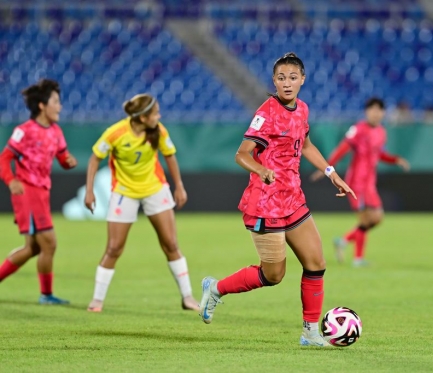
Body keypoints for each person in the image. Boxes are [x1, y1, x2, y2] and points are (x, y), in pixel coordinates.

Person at [198, 52, 356, 347]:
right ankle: (216, 288)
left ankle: (310, 332)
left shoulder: (303, 109)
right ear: (274, 80)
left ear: (302, 80)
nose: (287, 83)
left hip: (293, 199)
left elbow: (306, 145)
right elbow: (241, 154)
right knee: (273, 275)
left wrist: (331, 171)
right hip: (265, 203)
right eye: (281, 78)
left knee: (316, 262)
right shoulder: (267, 112)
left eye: (292, 78)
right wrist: (262, 170)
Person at [84, 94, 199, 312]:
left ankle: (188, 297)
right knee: (114, 247)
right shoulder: (115, 132)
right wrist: (89, 191)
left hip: (155, 189)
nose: (159, 116)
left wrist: (179, 186)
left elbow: (170, 156)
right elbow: (94, 158)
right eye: (155, 113)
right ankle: (97, 300)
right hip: (124, 192)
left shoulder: (159, 130)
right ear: (143, 117)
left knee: (171, 245)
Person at [0, 79, 77, 304]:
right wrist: (11, 180)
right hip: (28, 191)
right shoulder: (24, 132)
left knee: (33, 248)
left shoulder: (56, 132)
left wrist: (68, 161)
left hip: (42, 192)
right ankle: (46, 295)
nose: (59, 106)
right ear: (42, 106)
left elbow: (63, 157)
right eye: (55, 101)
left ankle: (46, 294)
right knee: (49, 243)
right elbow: (5, 159)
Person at [311, 98, 410, 267]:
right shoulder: (358, 130)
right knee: (367, 218)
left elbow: (380, 154)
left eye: (379, 110)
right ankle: (357, 258)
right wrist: (327, 167)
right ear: (367, 112)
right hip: (357, 182)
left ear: (383, 113)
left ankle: (344, 241)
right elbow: (343, 148)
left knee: (376, 218)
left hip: (369, 183)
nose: (376, 113)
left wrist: (395, 160)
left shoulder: (381, 132)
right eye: (372, 110)